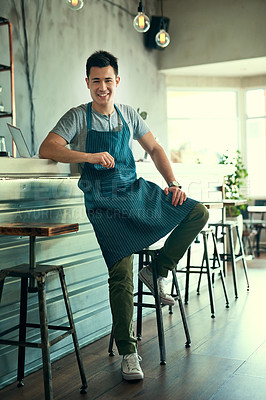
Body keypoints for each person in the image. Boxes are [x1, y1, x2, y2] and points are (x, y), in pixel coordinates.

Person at [39, 50, 209, 382]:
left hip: (133, 192)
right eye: (96, 81)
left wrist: (172, 182)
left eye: (108, 80)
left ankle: (157, 270)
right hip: (104, 205)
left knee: (197, 212)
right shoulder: (77, 117)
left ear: (117, 81)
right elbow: (48, 148)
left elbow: (155, 149)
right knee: (121, 274)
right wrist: (88, 156)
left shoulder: (129, 114)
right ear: (87, 83)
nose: (102, 87)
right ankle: (129, 353)